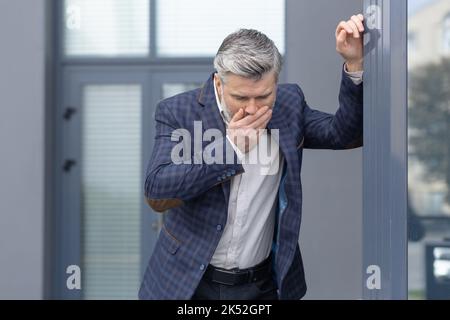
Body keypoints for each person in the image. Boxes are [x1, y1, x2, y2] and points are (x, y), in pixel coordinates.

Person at [139, 14, 365, 300]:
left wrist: (355, 64)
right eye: (241, 98)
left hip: (261, 285)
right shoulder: (178, 112)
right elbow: (157, 190)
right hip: (189, 284)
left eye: (264, 96)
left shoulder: (289, 104)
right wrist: (230, 149)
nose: (253, 108)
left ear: (276, 82)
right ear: (218, 84)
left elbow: (343, 134)